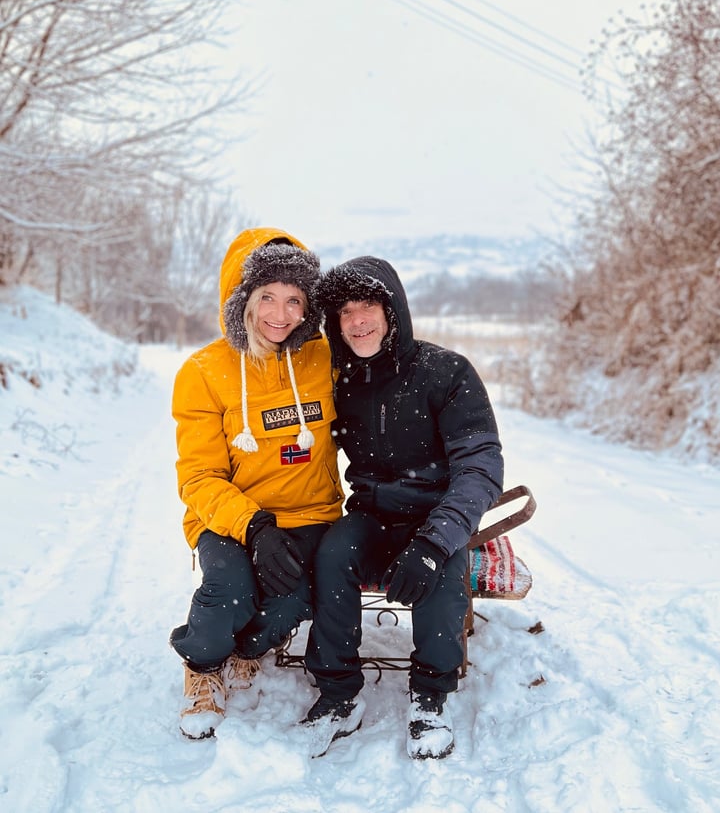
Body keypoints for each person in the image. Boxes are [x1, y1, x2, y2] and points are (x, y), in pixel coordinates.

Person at [301, 256, 503, 759]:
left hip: (436, 518)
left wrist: (434, 543)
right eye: (345, 312)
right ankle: (339, 694)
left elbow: (480, 466)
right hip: (371, 516)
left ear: (393, 310)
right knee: (332, 554)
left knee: (443, 576)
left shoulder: (446, 372)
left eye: (367, 306)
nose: (357, 321)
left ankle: (430, 696)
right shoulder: (339, 380)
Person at [169, 227, 343, 740]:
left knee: (293, 598)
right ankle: (203, 666)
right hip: (230, 517)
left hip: (310, 512)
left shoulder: (324, 358)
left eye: (294, 300)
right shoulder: (203, 371)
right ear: (241, 298)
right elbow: (198, 476)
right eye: (267, 296)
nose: (280, 314)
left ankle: (248, 648)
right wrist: (254, 526)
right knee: (229, 590)